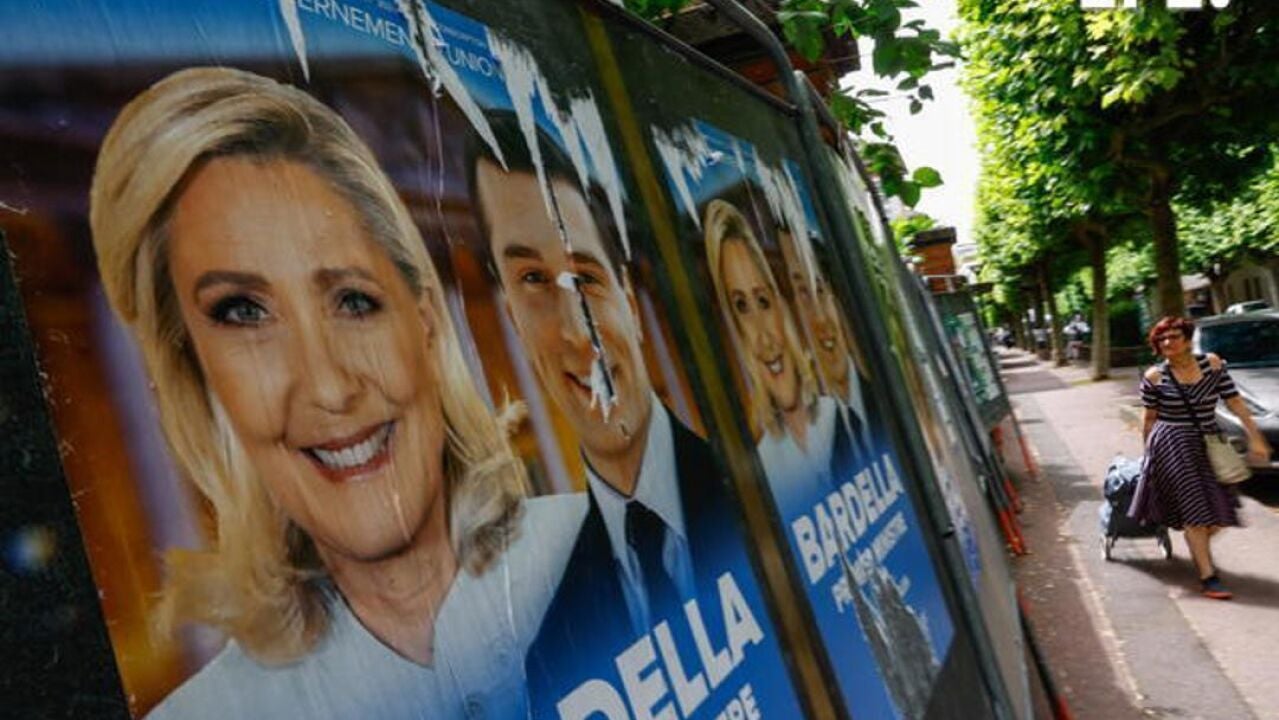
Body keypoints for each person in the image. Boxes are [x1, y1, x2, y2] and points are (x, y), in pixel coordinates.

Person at [89, 67, 583, 719]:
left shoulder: (616, 550)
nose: (328, 386)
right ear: (196, 377)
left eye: (354, 300)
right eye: (243, 313)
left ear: (425, 322)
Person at [468, 117, 796, 719]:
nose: (575, 332)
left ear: (630, 300)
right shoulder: (553, 649)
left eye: (585, 278)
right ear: (511, 315)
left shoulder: (776, 497)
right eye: (533, 280)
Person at [1129, 316, 1271, 599]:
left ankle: (1196, 541)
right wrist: (1149, 456)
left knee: (1221, 511)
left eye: (1174, 336)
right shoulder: (1155, 376)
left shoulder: (1212, 364)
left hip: (1209, 441)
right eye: (1161, 339)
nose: (1167, 342)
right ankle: (1208, 577)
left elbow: (1234, 401)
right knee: (1195, 514)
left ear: (1187, 340)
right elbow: (1149, 419)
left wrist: (1255, 436)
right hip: (1172, 445)